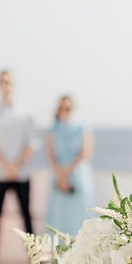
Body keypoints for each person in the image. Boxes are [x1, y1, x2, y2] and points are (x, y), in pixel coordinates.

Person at [0, 70, 37, 264]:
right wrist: (6, 165)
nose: (6, 86)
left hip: (21, 173)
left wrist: (16, 166)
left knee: (26, 216)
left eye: (8, 82)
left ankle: (34, 256)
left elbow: (32, 143)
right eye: (2, 82)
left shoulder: (26, 111)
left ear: (13, 85)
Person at [45, 95, 94, 235]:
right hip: (59, 175)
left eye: (69, 108)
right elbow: (50, 154)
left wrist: (68, 170)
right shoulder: (53, 130)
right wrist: (60, 174)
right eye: (62, 108)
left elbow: (85, 153)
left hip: (78, 174)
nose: (66, 110)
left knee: (80, 214)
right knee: (59, 216)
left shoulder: (82, 128)